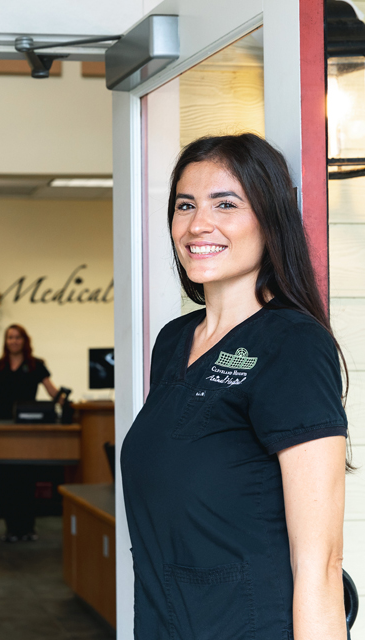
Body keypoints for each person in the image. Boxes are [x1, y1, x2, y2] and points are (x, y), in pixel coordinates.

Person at [120, 133, 351, 640]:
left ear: (270, 219)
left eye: (226, 203)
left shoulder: (292, 344)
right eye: (186, 205)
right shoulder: (175, 340)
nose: (198, 224)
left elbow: (321, 561)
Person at [0, 324, 59, 542]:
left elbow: (51, 390)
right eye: (10, 337)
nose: (14, 341)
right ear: (6, 341)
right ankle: (11, 528)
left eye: (18, 337)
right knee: (6, 479)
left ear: (24, 340)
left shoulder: (36, 365)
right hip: (2, 429)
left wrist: (67, 402)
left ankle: (28, 528)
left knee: (27, 479)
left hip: (27, 430)